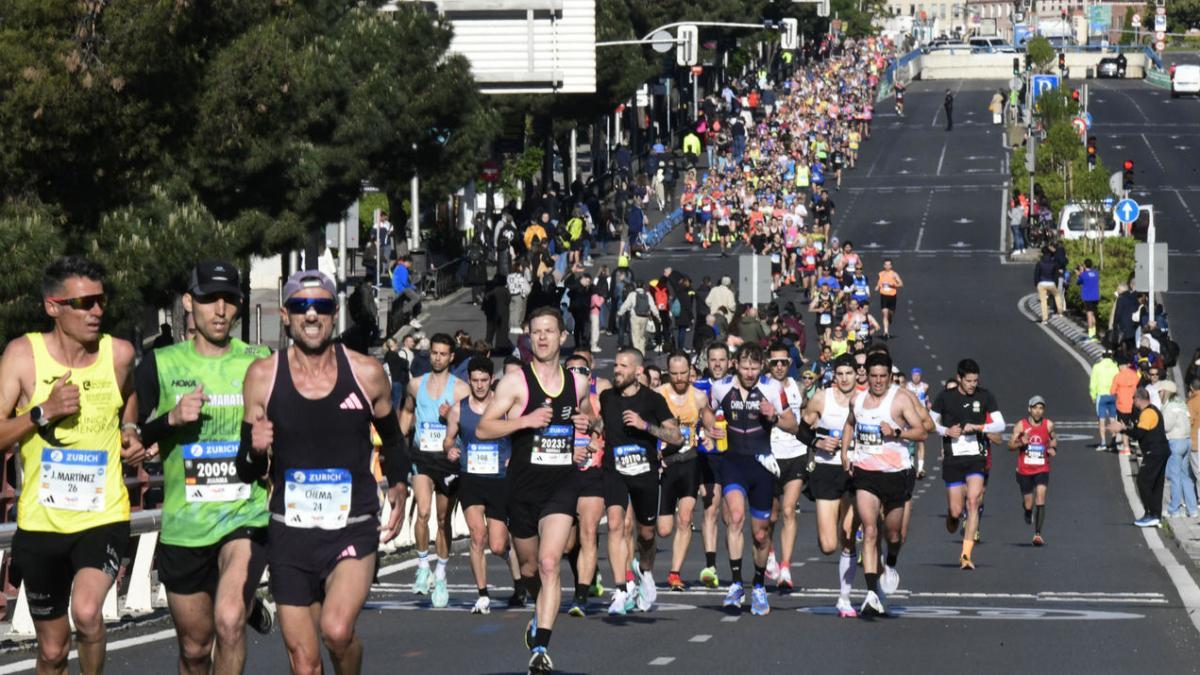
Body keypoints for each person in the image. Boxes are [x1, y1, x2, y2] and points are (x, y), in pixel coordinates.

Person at [236, 269, 409, 675]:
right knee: (305, 664)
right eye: (301, 306)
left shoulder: (366, 373)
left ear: (335, 314)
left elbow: (393, 439)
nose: (311, 314)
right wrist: (256, 450)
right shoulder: (262, 376)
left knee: (336, 630)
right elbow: (247, 469)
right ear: (285, 315)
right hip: (290, 533)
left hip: (351, 526)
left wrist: (399, 483)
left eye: (321, 306)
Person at [0, 256, 145, 675]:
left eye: (100, 301)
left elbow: (128, 394)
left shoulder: (118, 354)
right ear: (53, 307)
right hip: (41, 522)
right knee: (52, 651)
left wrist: (130, 428)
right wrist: (42, 412)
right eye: (83, 303)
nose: (96, 311)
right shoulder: (22, 356)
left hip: (102, 515)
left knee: (86, 612)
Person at [133, 261, 273, 674]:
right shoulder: (160, 364)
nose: (220, 309)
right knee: (195, 650)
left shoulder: (261, 361)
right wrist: (171, 420)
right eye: (210, 299)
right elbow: (131, 437)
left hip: (244, 515)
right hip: (186, 523)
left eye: (229, 300)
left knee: (228, 622)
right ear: (189, 302)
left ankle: (238, 603)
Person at [475, 307, 593, 675]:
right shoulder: (515, 383)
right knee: (529, 569)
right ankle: (539, 612)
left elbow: (589, 416)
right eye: (536, 332)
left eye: (549, 331)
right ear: (528, 337)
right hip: (522, 487)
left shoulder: (578, 382)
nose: (542, 338)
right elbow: (483, 428)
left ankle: (541, 646)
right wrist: (525, 421)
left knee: (549, 563)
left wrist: (586, 425)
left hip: (562, 485)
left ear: (562, 336)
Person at [707, 343, 799, 617]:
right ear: (735, 364)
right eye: (745, 367)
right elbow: (706, 410)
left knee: (761, 534)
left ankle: (758, 584)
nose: (749, 373)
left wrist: (774, 416)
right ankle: (736, 584)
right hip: (733, 462)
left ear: (762, 367)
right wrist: (710, 425)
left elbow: (793, 424)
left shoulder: (773, 388)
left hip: (761, 464)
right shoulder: (721, 387)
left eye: (755, 368)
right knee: (735, 518)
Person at [843, 351, 928, 616]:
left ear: (890, 376)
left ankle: (890, 563)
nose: (878, 381)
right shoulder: (857, 400)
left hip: (895, 473)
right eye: (874, 376)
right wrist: (846, 453)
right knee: (869, 530)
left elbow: (922, 431)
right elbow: (849, 424)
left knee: (893, 535)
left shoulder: (899, 399)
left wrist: (897, 432)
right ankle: (871, 593)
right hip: (866, 473)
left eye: (883, 376)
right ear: (866, 376)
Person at [600, 348, 682, 615]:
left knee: (646, 535)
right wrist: (589, 426)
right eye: (615, 365)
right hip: (614, 471)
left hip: (645, 472)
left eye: (623, 366)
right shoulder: (607, 397)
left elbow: (677, 437)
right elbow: (603, 425)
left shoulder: (653, 400)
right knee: (615, 524)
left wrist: (645, 426)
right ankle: (621, 589)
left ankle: (645, 571)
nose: (616, 370)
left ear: (638, 371)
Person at [399, 333, 469, 607]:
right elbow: (407, 412)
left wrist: (452, 415)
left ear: (451, 357)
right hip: (422, 456)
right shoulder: (416, 385)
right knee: (423, 511)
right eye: (434, 353)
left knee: (442, 519)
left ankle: (440, 575)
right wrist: (397, 443)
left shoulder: (461, 389)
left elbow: (471, 423)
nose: (437, 358)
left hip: (448, 460)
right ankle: (422, 567)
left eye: (443, 354)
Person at [443, 356, 514, 614]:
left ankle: (518, 576)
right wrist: (450, 450)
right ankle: (483, 594)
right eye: (475, 380)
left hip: (499, 480)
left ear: (492, 379)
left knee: (497, 545)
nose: (480, 385)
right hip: (470, 478)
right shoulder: (458, 409)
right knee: (477, 536)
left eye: (484, 380)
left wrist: (513, 458)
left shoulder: (504, 406)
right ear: (469, 380)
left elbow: (519, 434)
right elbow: (448, 439)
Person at [796, 355, 860, 616]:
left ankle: (844, 597)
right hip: (827, 470)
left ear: (857, 374)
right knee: (828, 545)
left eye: (849, 373)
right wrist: (817, 443)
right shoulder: (822, 398)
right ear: (834, 375)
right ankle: (830, 524)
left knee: (849, 536)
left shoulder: (865, 400)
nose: (844, 378)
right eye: (840, 374)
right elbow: (801, 430)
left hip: (856, 470)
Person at [931, 359, 1005, 571]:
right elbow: (928, 422)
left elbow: (1000, 424)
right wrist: (946, 431)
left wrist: (980, 427)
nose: (973, 385)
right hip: (953, 459)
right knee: (956, 511)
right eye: (969, 381)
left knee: (973, 502)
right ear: (959, 378)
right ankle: (952, 516)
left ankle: (965, 555)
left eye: (975, 381)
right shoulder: (945, 397)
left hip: (976, 458)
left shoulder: (985, 396)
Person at [658, 352, 712, 592]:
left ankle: (674, 573)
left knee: (686, 517)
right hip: (665, 463)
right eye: (674, 374)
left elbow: (708, 420)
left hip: (689, 461)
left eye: (683, 373)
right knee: (663, 529)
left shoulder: (698, 396)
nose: (680, 378)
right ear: (668, 373)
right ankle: (642, 561)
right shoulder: (658, 395)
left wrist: (710, 434)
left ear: (690, 371)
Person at [764, 343, 807, 592]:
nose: (779, 366)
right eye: (774, 362)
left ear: (789, 363)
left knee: (789, 511)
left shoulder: (799, 388)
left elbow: (808, 417)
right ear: (768, 364)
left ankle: (786, 567)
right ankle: (770, 553)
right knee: (771, 515)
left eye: (783, 362)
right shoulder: (761, 387)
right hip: (769, 456)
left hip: (796, 454)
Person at [694, 342, 733, 588]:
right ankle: (710, 566)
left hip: (732, 455)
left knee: (731, 516)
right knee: (710, 509)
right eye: (713, 359)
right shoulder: (698, 388)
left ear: (729, 362)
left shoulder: (736, 385)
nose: (717, 364)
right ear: (707, 362)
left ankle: (734, 566)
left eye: (722, 359)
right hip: (706, 454)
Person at [1111, 388, 1171, 527]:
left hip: (1154, 452)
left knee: (1143, 481)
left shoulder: (1148, 413)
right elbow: (1140, 430)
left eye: (1133, 398)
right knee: (1156, 483)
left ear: (1138, 399)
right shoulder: (1152, 411)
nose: (1133, 401)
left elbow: (1139, 434)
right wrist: (1126, 428)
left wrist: (1122, 429)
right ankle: (1155, 515)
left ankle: (1150, 514)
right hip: (1160, 451)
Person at [1008, 396, 1057, 546]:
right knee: (1029, 503)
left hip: (1042, 468)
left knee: (1041, 497)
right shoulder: (1021, 425)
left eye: (1041, 408)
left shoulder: (1049, 425)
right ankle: (1028, 511)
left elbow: (1054, 439)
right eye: (1035, 408)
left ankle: (1038, 535)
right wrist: (1020, 442)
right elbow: (1010, 446)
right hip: (1025, 470)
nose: (1038, 411)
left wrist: (1053, 448)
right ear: (1029, 409)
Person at [1159, 381, 1197, 518]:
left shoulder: (1169, 406)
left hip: (1175, 442)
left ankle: (1174, 510)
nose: (1159, 394)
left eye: (1160, 391)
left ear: (1165, 392)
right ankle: (1192, 509)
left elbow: (1166, 426)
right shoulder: (1181, 403)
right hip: (1186, 441)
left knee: (1174, 477)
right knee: (1185, 476)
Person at [1090, 350, 1119, 450]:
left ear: (1102, 356)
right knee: (1113, 419)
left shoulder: (1097, 367)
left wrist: (1093, 395)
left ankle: (1103, 443)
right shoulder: (1115, 367)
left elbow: (1093, 382)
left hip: (1101, 395)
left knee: (1101, 419)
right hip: (1113, 395)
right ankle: (1113, 441)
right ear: (1111, 356)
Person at [1111, 359, 1141, 455]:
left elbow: (1112, 391)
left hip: (1122, 406)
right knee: (1137, 425)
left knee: (1124, 427)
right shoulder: (1135, 375)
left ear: (1120, 366)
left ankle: (1126, 448)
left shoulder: (1118, 376)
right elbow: (1140, 388)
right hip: (1134, 405)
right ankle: (1138, 444)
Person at [875, 259, 903, 338]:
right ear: (884, 265)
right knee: (884, 313)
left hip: (892, 296)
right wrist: (877, 287)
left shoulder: (894, 274)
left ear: (891, 266)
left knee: (890, 313)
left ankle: (890, 317)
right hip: (884, 295)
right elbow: (879, 282)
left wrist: (893, 285)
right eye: (886, 264)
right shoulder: (881, 274)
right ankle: (886, 332)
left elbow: (901, 284)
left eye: (889, 265)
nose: (887, 266)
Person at [1076, 259, 1101, 340]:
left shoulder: (1084, 275)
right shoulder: (1096, 273)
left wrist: (1079, 274)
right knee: (1093, 314)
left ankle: (1091, 335)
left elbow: (1078, 282)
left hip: (1087, 297)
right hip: (1095, 297)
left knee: (1089, 315)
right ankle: (1095, 333)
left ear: (1084, 265)